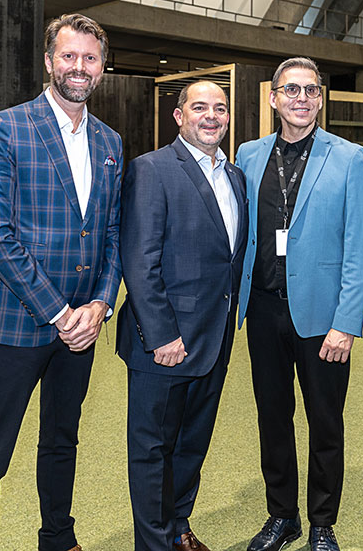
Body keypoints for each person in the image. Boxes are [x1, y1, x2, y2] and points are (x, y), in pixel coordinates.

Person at [0, 14, 122, 551]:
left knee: (61, 441)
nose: (80, 67)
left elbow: (113, 232)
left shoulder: (110, 141)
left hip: (83, 327)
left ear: (102, 67)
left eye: (90, 58)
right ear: (49, 61)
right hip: (19, 325)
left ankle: (58, 538)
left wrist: (100, 302)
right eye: (69, 56)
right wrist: (60, 313)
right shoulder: (6, 127)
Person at [236, 57, 363, 551]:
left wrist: (347, 323)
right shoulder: (249, 154)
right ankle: (282, 516)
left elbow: (359, 246)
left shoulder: (350, 156)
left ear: (320, 98)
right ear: (273, 98)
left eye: (311, 90)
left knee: (325, 420)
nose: (301, 99)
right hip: (263, 309)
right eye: (291, 90)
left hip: (323, 317)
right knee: (272, 417)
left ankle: (321, 521)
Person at [116, 80, 248, 551]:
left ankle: (177, 527)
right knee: (152, 450)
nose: (211, 116)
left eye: (220, 108)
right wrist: (162, 335)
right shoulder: (151, 170)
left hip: (215, 339)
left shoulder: (234, 177)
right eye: (199, 107)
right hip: (165, 343)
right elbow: (140, 260)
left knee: (192, 444)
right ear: (179, 115)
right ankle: (152, 543)